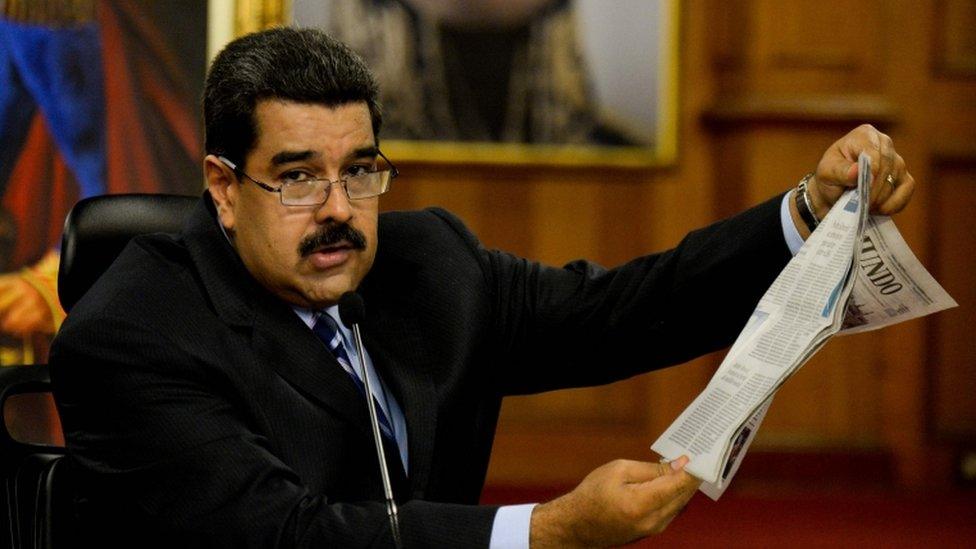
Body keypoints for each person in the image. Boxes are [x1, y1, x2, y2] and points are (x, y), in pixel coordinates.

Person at [49, 27, 914, 548]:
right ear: (225, 187)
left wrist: (806, 209)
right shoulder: (132, 332)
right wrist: (543, 531)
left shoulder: (429, 265)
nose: (341, 211)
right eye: (299, 178)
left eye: (361, 169)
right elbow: (286, 535)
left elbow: (620, 313)